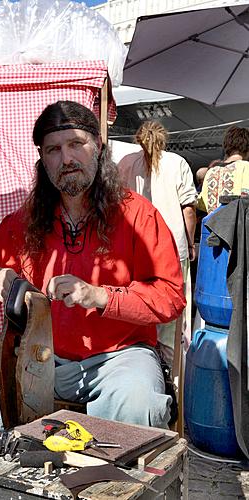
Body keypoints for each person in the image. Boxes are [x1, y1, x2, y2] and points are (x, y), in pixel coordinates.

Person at [0, 101, 185, 443]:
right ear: (43, 159)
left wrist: (100, 295)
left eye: (76, 144)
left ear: (97, 147)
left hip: (118, 359)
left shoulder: (138, 215)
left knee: (138, 399)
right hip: (39, 357)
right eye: (54, 149)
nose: (67, 159)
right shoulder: (24, 222)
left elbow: (171, 297)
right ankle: (8, 466)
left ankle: (108, 489)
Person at [117, 120, 197, 365]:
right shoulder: (177, 162)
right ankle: (173, 377)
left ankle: (145, 364)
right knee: (172, 317)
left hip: (133, 248)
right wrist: (191, 243)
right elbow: (189, 210)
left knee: (137, 310)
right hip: (173, 247)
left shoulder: (125, 163)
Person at [196, 126, 249, 213]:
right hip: (240, 225)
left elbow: (203, 203)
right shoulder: (246, 167)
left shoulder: (211, 172)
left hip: (213, 225)